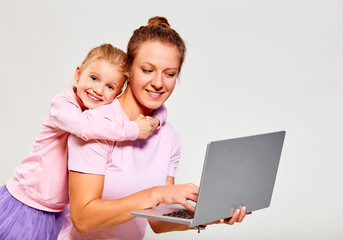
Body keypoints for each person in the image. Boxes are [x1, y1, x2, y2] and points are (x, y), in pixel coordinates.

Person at [57, 16, 247, 240]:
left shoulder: (169, 137)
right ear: (129, 71)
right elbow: (83, 218)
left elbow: (157, 221)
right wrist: (157, 193)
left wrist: (210, 216)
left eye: (169, 74)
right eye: (148, 70)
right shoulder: (97, 125)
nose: (159, 83)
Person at [0, 43, 166, 239]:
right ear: (78, 74)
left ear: (118, 93)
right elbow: (84, 127)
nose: (98, 89)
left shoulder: (97, 113)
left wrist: (156, 119)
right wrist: (133, 129)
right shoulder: (62, 105)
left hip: (55, 209)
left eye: (110, 86)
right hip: (27, 201)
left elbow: (158, 108)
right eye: (94, 78)